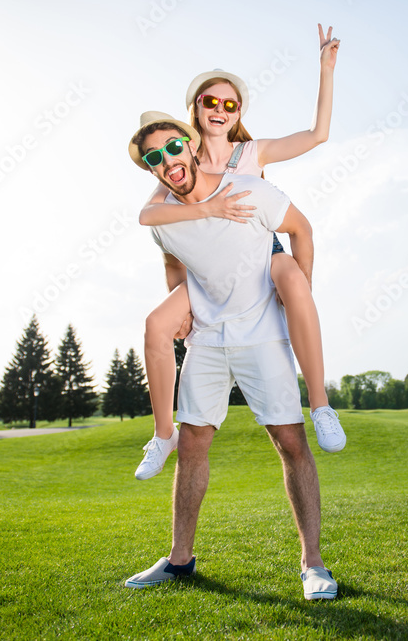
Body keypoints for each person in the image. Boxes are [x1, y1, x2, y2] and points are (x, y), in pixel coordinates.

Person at [123, 112, 339, 600]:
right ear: (152, 171)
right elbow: (173, 258)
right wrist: (179, 299)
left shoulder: (249, 189)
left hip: (262, 334)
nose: (168, 161)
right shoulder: (163, 219)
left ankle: (313, 564)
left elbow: (301, 229)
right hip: (207, 339)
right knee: (193, 443)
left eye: (173, 148)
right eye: (155, 158)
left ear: (190, 145)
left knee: (289, 440)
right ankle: (180, 561)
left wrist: (299, 289)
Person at [132, 25, 343, 481]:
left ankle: (321, 404)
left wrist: (325, 70)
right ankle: (162, 433)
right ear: (196, 110)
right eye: (211, 102)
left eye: (231, 104)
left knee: (291, 279)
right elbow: (160, 231)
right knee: (158, 324)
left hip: (261, 252)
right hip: (207, 272)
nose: (220, 110)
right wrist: (181, 300)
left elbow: (317, 134)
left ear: (238, 113)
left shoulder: (251, 152)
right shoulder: (178, 160)